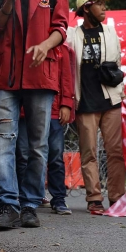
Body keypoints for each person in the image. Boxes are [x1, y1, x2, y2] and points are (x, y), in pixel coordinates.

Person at [0, 0, 69, 230]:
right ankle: (7, 205)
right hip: (5, 80)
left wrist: (45, 46)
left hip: (41, 77)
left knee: (37, 146)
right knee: (4, 143)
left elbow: (61, 27)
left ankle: (31, 204)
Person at [65, 0, 126, 213]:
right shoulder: (73, 35)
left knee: (116, 151)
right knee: (89, 151)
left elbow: (118, 64)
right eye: (100, 4)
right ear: (86, 8)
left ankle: (118, 197)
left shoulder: (110, 32)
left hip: (110, 100)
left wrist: (120, 88)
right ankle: (94, 198)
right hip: (86, 102)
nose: (104, 8)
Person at [16, 44, 75, 215]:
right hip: (24, 112)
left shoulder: (60, 48)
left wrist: (66, 104)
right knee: (23, 156)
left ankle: (58, 199)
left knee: (55, 155)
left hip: (54, 111)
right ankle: (25, 198)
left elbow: (66, 78)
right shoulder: (23, 44)